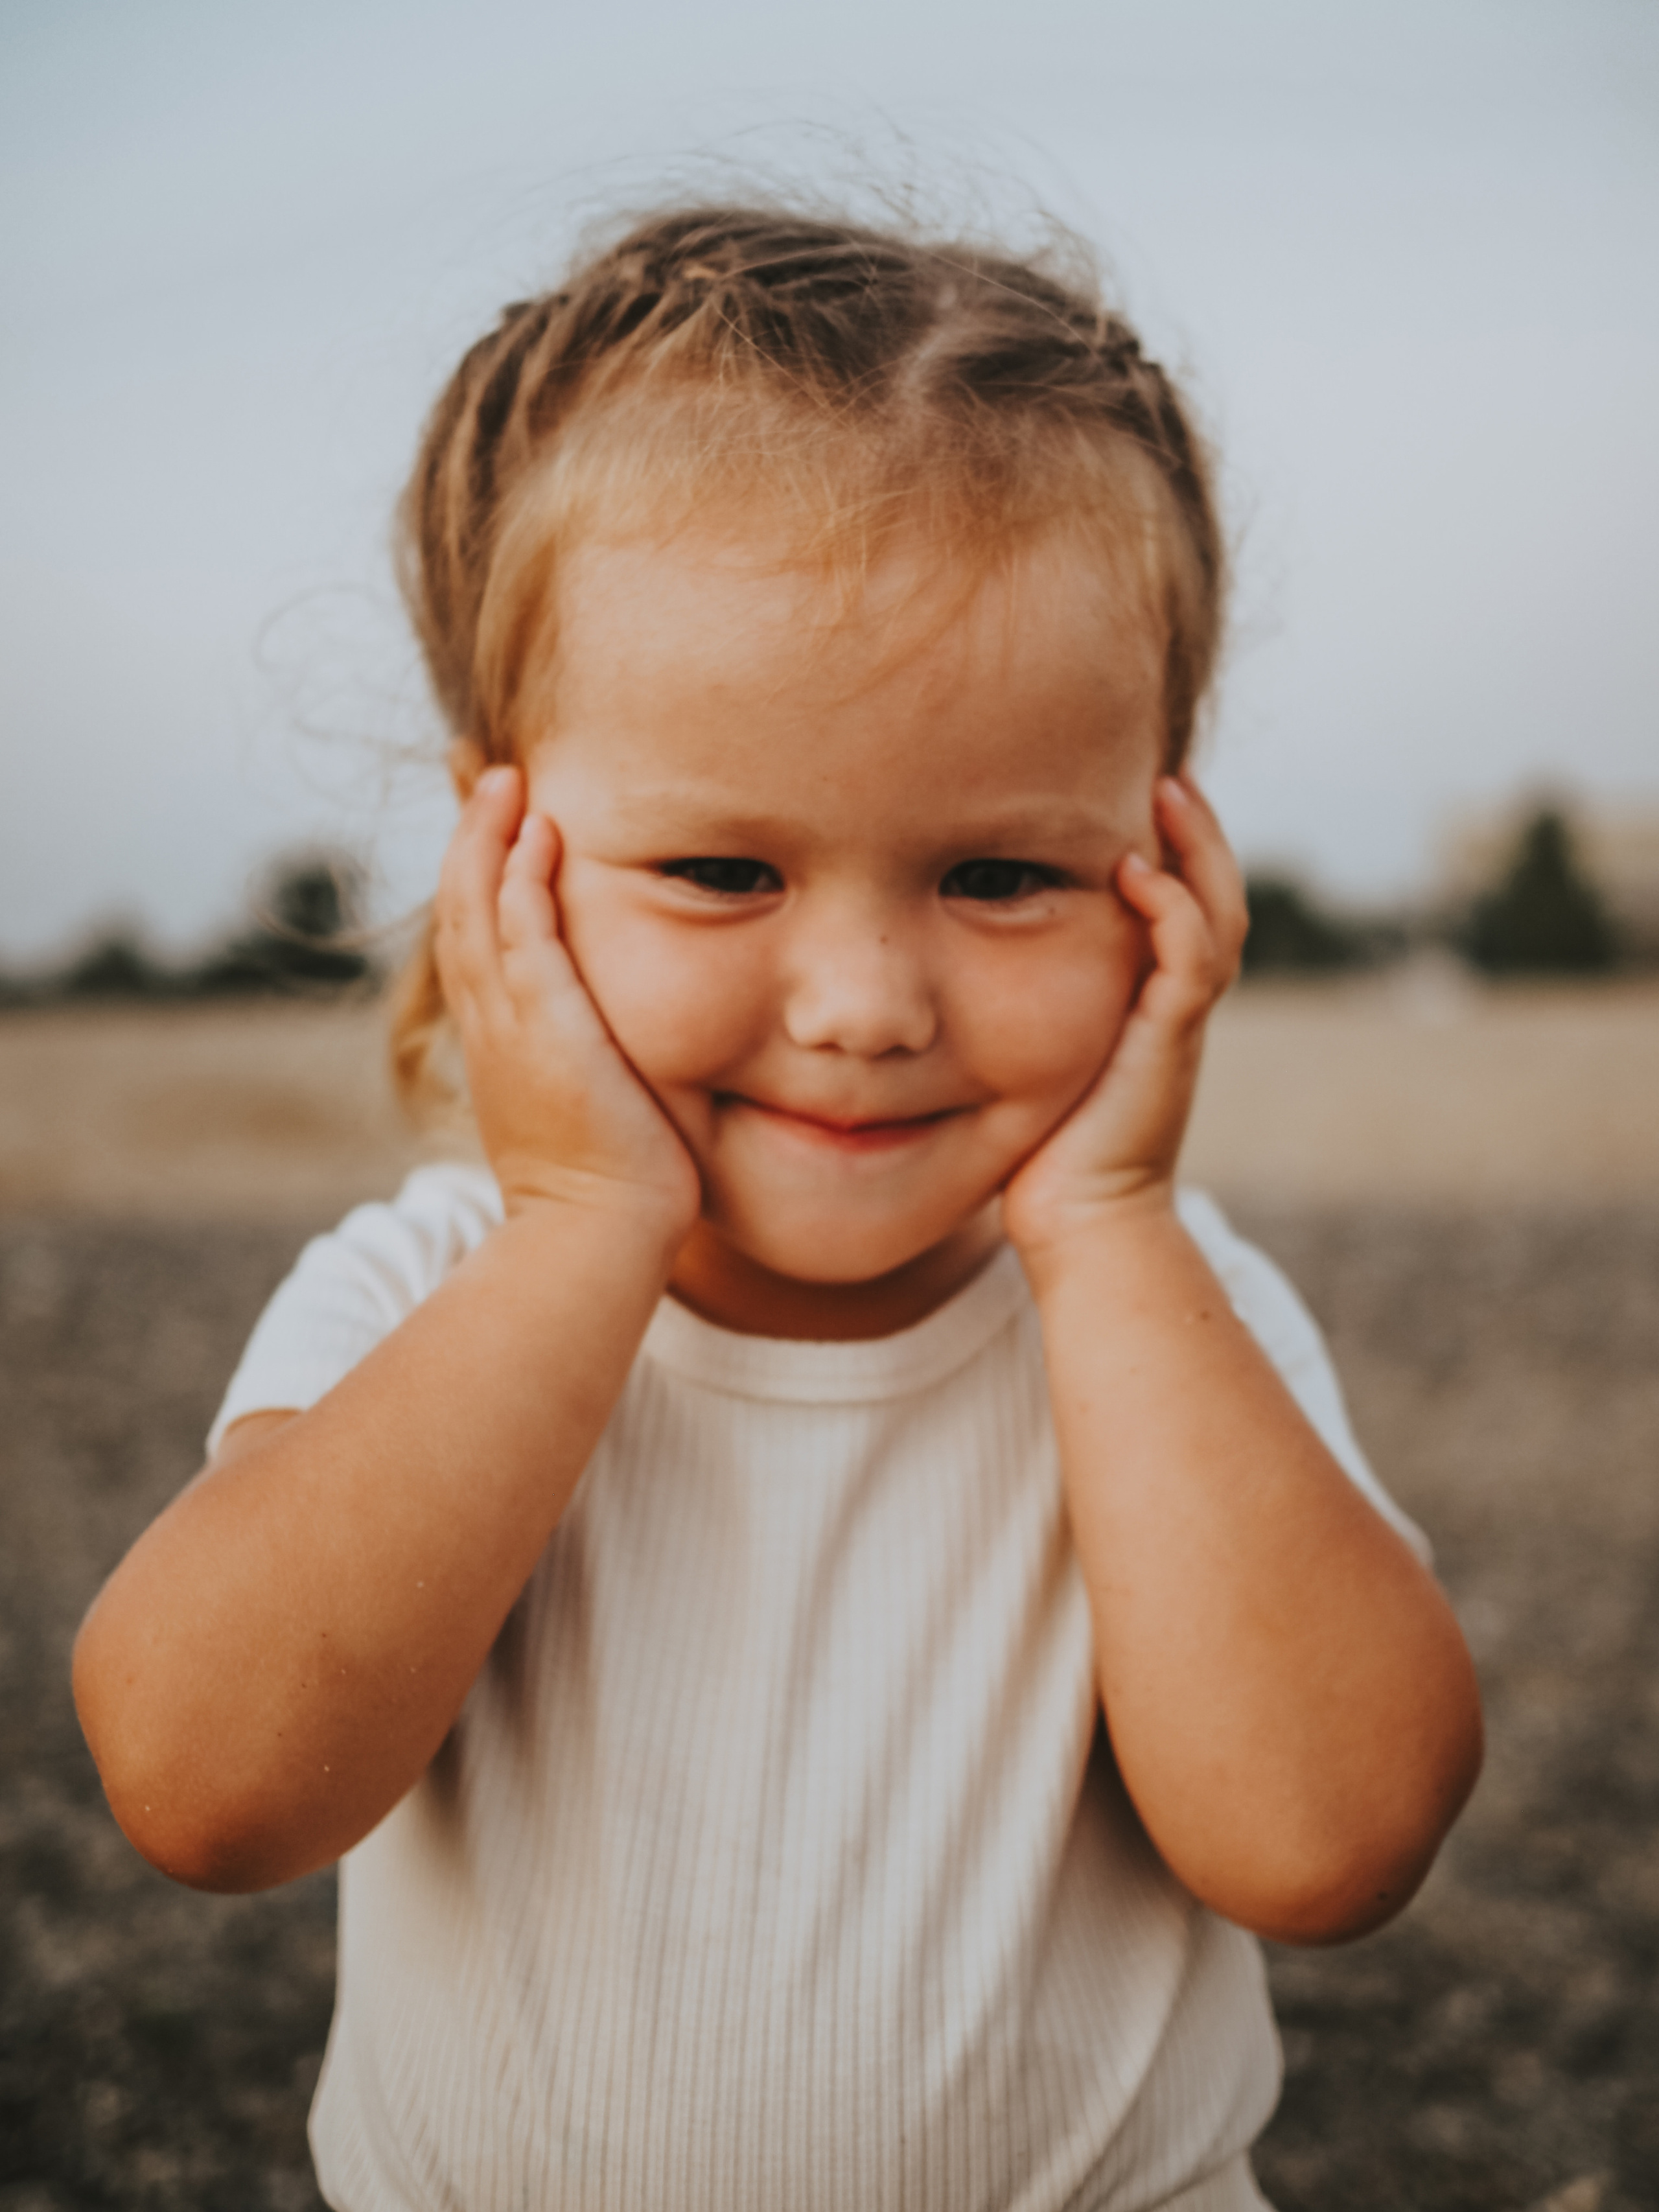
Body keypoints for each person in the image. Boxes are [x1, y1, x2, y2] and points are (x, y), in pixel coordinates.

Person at [73, 204, 1483, 2212]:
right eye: (724, 873)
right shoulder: (424, 1286)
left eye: (1003, 877)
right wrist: (580, 1217)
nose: (864, 1007)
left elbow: (1330, 1845)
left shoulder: (1174, 1313)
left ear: (1165, 864)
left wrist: (1109, 1227)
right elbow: (207, 1790)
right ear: (502, 864)